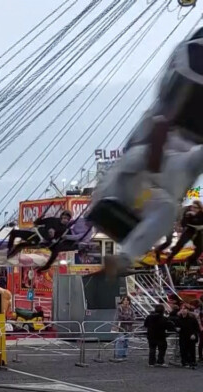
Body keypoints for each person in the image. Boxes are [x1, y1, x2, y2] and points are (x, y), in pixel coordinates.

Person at [88, 29, 203, 276]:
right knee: (165, 206)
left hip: (155, 160)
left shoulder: (130, 176)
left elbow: (132, 156)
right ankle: (125, 257)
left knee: (133, 164)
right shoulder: (160, 200)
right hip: (168, 168)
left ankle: (123, 257)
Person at [176, 303, 199, 368]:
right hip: (182, 336)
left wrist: (194, 334)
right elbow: (176, 326)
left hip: (191, 336)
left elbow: (196, 328)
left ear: (188, 310)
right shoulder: (178, 319)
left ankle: (192, 361)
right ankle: (184, 362)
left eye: (185, 309)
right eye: (182, 309)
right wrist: (176, 329)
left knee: (191, 349)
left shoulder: (192, 319)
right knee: (183, 349)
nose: (183, 310)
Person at [113, 296, 135, 361]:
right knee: (120, 340)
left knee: (126, 341)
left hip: (128, 327)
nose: (126, 302)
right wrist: (128, 318)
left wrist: (127, 318)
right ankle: (119, 354)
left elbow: (134, 317)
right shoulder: (119, 308)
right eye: (125, 300)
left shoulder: (131, 309)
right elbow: (119, 317)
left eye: (127, 300)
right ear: (122, 301)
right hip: (121, 327)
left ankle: (124, 354)